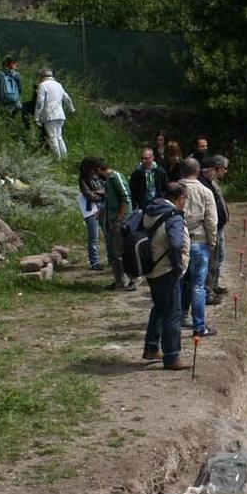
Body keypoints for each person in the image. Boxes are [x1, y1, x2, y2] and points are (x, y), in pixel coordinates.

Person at [141, 183, 190, 370]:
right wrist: (178, 267)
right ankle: (172, 357)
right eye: (185, 199)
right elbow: (177, 244)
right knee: (173, 313)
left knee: (160, 308)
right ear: (179, 198)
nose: (185, 203)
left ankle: (151, 347)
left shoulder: (151, 210)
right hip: (166, 271)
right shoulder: (174, 216)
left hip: (151, 268)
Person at [177, 158, 219, 338]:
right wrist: (212, 241)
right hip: (199, 241)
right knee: (198, 286)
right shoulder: (205, 191)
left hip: (178, 240)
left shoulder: (174, 189)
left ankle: (178, 319)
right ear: (198, 171)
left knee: (180, 283)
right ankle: (199, 326)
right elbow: (211, 220)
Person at [98, 159, 134, 290]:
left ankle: (128, 280)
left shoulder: (115, 177)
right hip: (111, 221)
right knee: (114, 252)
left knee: (120, 252)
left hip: (120, 222)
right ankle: (119, 280)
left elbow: (125, 199)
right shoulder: (107, 180)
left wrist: (119, 220)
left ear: (99, 170)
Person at [201, 155, 230, 300]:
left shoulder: (211, 183)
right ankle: (208, 291)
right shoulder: (204, 185)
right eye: (222, 169)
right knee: (212, 260)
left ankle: (214, 286)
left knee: (219, 257)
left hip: (218, 226)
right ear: (211, 170)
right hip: (212, 228)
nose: (224, 171)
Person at [35, 69, 74, 159]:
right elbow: (67, 98)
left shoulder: (42, 85)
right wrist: (71, 109)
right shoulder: (59, 85)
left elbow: (40, 102)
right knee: (59, 137)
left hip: (49, 115)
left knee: (52, 138)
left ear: (42, 76)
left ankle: (58, 159)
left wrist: (37, 116)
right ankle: (65, 157)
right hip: (60, 115)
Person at [77, 158, 106, 271]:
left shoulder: (100, 176)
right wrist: (101, 194)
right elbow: (89, 195)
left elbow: (107, 190)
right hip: (91, 208)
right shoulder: (83, 180)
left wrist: (100, 193)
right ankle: (95, 262)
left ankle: (110, 259)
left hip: (103, 206)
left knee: (107, 232)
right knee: (94, 236)